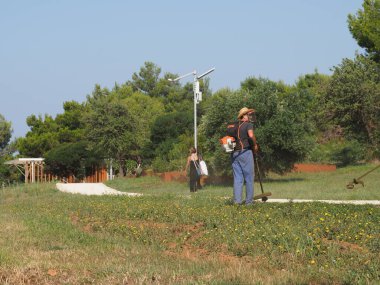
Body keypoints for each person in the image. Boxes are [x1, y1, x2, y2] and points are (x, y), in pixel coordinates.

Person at [229, 107, 258, 205]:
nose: (250, 116)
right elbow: (250, 135)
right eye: (248, 114)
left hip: (234, 154)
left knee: (238, 178)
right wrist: (255, 145)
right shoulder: (248, 125)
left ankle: (237, 202)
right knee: (249, 177)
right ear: (243, 116)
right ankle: (249, 202)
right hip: (245, 152)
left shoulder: (234, 126)